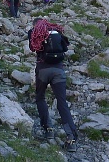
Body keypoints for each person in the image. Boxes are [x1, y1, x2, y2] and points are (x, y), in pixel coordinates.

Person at [27, 17, 79, 153]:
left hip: (43, 70)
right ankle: (71, 139)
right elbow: (65, 48)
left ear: (35, 25)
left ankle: (48, 129)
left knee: (40, 97)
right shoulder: (57, 31)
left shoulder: (34, 31)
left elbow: (32, 48)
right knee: (62, 103)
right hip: (58, 71)